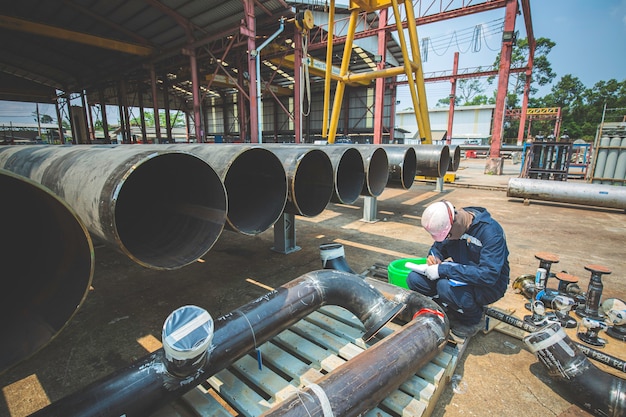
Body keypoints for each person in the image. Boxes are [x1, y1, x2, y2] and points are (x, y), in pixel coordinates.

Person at [406, 200, 510, 339]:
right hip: (461, 277)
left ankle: (473, 318)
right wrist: (435, 256)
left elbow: (488, 275)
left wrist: (444, 269)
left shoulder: (490, 232)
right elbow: (438, 247)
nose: (446, 239)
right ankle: (447, 309)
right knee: (415, 279)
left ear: (455, 222)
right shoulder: (452, 227)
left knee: (444, 287)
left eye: (447, 236)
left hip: (488, 286)